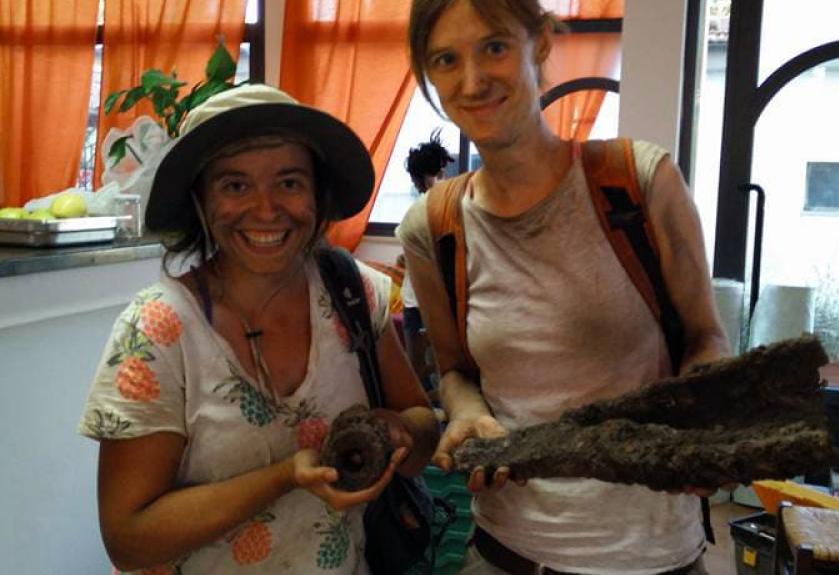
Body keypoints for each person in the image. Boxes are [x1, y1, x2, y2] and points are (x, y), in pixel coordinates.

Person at [397, 1, 731, 574]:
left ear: (542, 44)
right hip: (506, 552)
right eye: (446, 60)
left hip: (652, 555)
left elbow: (705, 336)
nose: (473, 81)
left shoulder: (638, 182)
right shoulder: (434, 227)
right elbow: (453, 371)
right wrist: (468, 412)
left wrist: (701, 417)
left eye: (494, 47)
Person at [78, 83, 438, 574]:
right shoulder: (157, 332)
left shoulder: (355, 295)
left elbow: (421, 427)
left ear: (316, 193)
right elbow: (129, 539)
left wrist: (396, 433)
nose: (266, 210)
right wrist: (286, 475)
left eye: (289, 182)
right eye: (235, 185)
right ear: (200, 202)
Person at [400, 130, 455, 399]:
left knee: (419, 369)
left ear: (416, 178)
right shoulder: (448, 203)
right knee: (446, 367)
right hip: (438, 299)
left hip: (420, 300)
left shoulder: (425, 207)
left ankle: (428, 408)